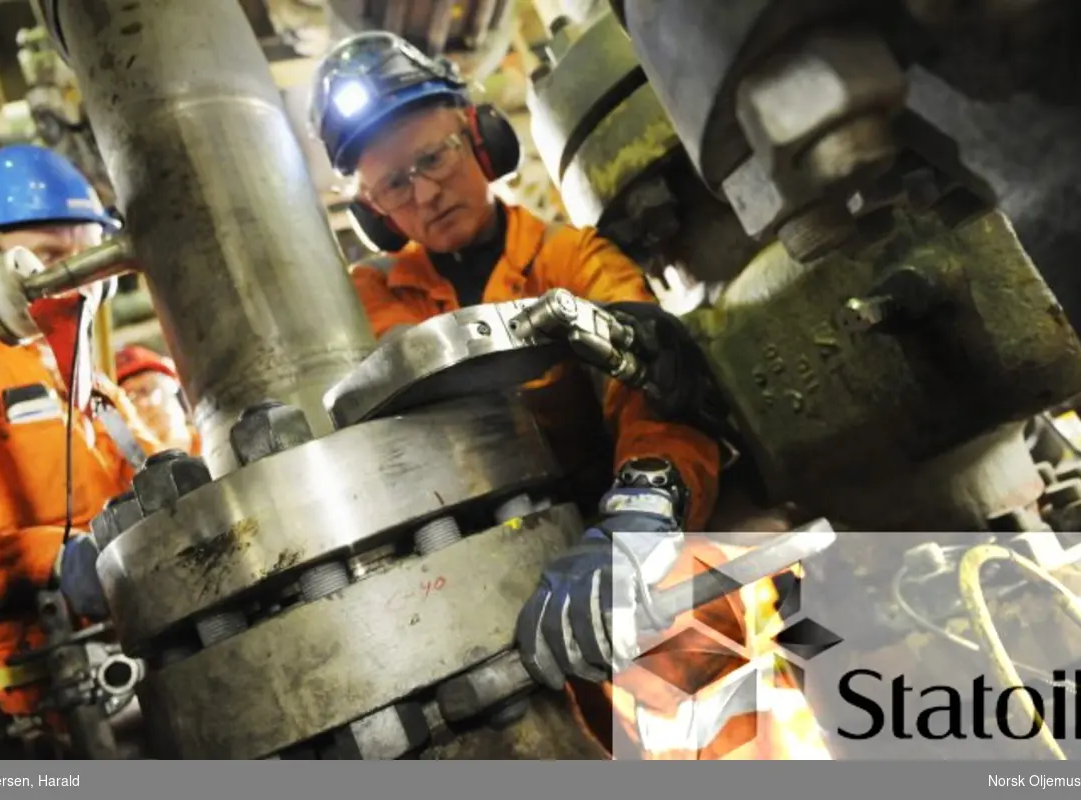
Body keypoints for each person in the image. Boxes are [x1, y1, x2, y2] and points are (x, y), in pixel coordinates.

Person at [311, 33, 825, 759]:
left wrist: (645, 506)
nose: (424, 191)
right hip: (462, 587)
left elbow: (654, 388)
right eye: (395, 185)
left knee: (702, 694)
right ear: (372, 212)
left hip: (604, 534)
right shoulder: (364, 307)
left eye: (435, 157)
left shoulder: (571, 258)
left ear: (481, 141)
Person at [0, 144, 160, 720]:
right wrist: (60, 561)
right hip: (50, 699)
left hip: (147, 648)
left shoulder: (83, 375)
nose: (73, 285)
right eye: (49, 259)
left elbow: (147, 477)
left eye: (85, 263)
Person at [114, 344, 200, 457]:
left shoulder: (215, 442)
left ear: (173, 388)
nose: (142, 404)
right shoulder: (121, 471)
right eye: (129, 398)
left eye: (146, 390)